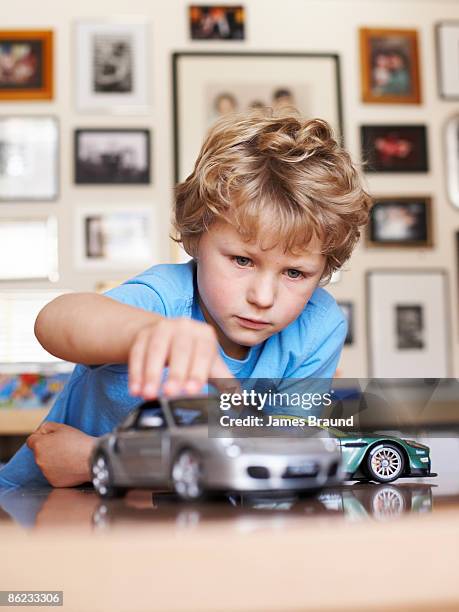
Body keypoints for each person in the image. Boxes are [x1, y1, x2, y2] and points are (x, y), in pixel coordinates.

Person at [0, 111, 371, 489]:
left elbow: (276, 454)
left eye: (295, 273)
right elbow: (55, 321)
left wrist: (98, 457)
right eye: (242, 260)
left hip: (179, 517)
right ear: (196, 237)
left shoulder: (319, 327)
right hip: (34, 510)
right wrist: (152, 333)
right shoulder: (165, 298)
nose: (263, 297)